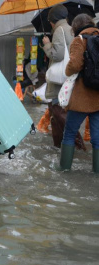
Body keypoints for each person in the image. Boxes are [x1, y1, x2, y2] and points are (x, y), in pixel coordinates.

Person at [58, 14, 99, 172]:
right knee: (97, 138)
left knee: (69, 133)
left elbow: (74, 65)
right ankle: (96, 173)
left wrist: (67, 70)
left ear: (75, 27)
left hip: (82, 97)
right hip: (98, 97)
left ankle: (64, 169)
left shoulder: (80, 40)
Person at [42, 4, 86, 151]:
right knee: (56, 117)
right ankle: (59, 148)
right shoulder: (71, 29)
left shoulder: (59, 30)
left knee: (59, 114)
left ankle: (78, 147)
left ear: (52, 20)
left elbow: (58, 54)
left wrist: (47, 45)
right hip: (69, 79)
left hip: (59, 82)